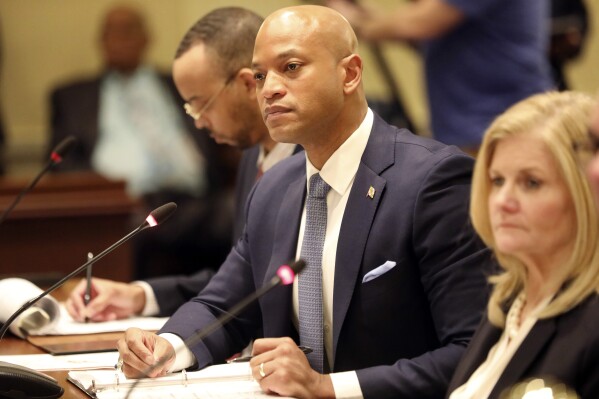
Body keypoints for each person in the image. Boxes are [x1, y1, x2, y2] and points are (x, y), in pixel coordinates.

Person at [116, 6, 493, 399]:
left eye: (291, 67)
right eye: (260, 75)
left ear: (349, 74)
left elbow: (470, 353)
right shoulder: (274, 188)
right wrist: (166, 347)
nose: (269, 89)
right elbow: (221, 308)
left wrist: (326, 387)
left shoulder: (434, 182)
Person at [66, 7, 299, 322]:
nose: (199, 123)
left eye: (202, 104)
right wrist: (140, 296)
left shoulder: (312, 161)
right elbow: (240, 284)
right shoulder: (251, 160)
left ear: (246, 84)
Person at [48, 5, 235, 278]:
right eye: (113, 33)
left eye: (129, 31)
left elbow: (215, 130)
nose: (121, 40)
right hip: (127, 206)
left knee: (238, 211)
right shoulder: (73, 97)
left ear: (147, 38)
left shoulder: (176, 83)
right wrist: (110, 196)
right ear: (101, 41)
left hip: (196, 200)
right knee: (132, 230)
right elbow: (60, 166)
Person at [446, 91, 599, 399]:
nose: (503, 202)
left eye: (531, 183)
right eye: (497, 180)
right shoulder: (508, 302)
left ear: (585, 194)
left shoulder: (591, 326)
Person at [327, 0, 553, 152]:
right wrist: (366, 20)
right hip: (473, 126)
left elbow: (422, 23)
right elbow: (426, 35)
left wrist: (355, 23)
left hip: (500, 127)